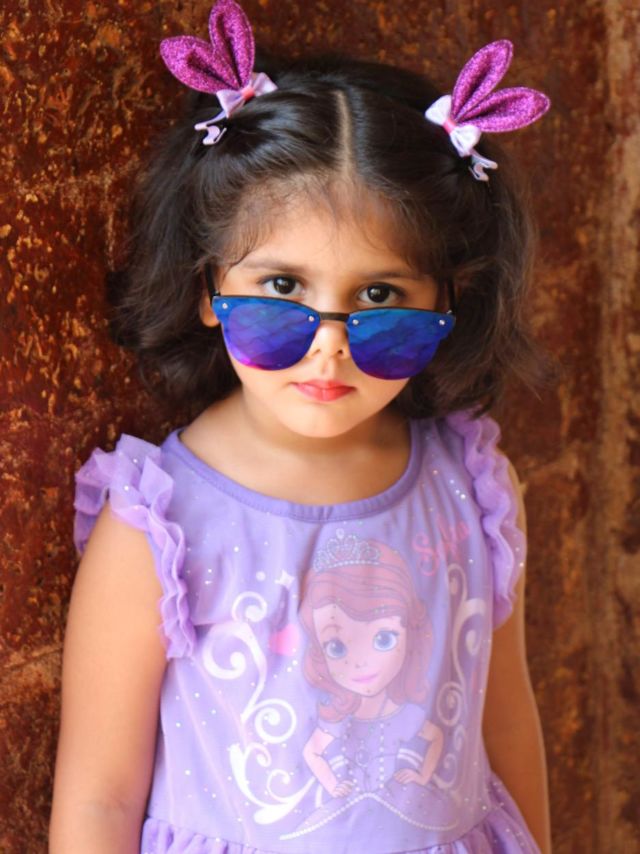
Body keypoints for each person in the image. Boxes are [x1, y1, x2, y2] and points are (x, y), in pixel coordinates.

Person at [49, 1, 553, 851]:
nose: (329, 348)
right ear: (208, 288)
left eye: (380, 297)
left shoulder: (474, 487)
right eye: (282, 291)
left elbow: (506, 722)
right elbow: (99, 798)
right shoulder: (157, 526)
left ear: (450, 301)